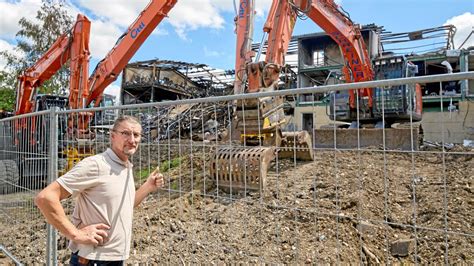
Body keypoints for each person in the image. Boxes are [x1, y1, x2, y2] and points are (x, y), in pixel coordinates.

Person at [35, 115, 164, 265]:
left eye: (136, 135)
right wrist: (76, 234)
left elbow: (124, 205)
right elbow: (45, 197)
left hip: (114, 257)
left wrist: (148, 186)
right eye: (126, 133)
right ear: (113, 136)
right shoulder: (96, 165)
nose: (132, 140)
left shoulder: (124, 166)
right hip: (93, 259)